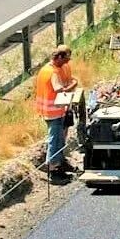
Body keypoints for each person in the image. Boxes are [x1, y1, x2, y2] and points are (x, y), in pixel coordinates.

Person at [35, 45, 79, 182]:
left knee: (60, 138)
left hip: (58, 110)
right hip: (53, 111)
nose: (67, 61)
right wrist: (74, 84)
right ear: (59, 57)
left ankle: (60, 162)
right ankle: (53, 170)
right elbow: (60, 90)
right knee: (55, 140)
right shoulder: (52, 72)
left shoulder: (49, 69)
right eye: (66, 58)